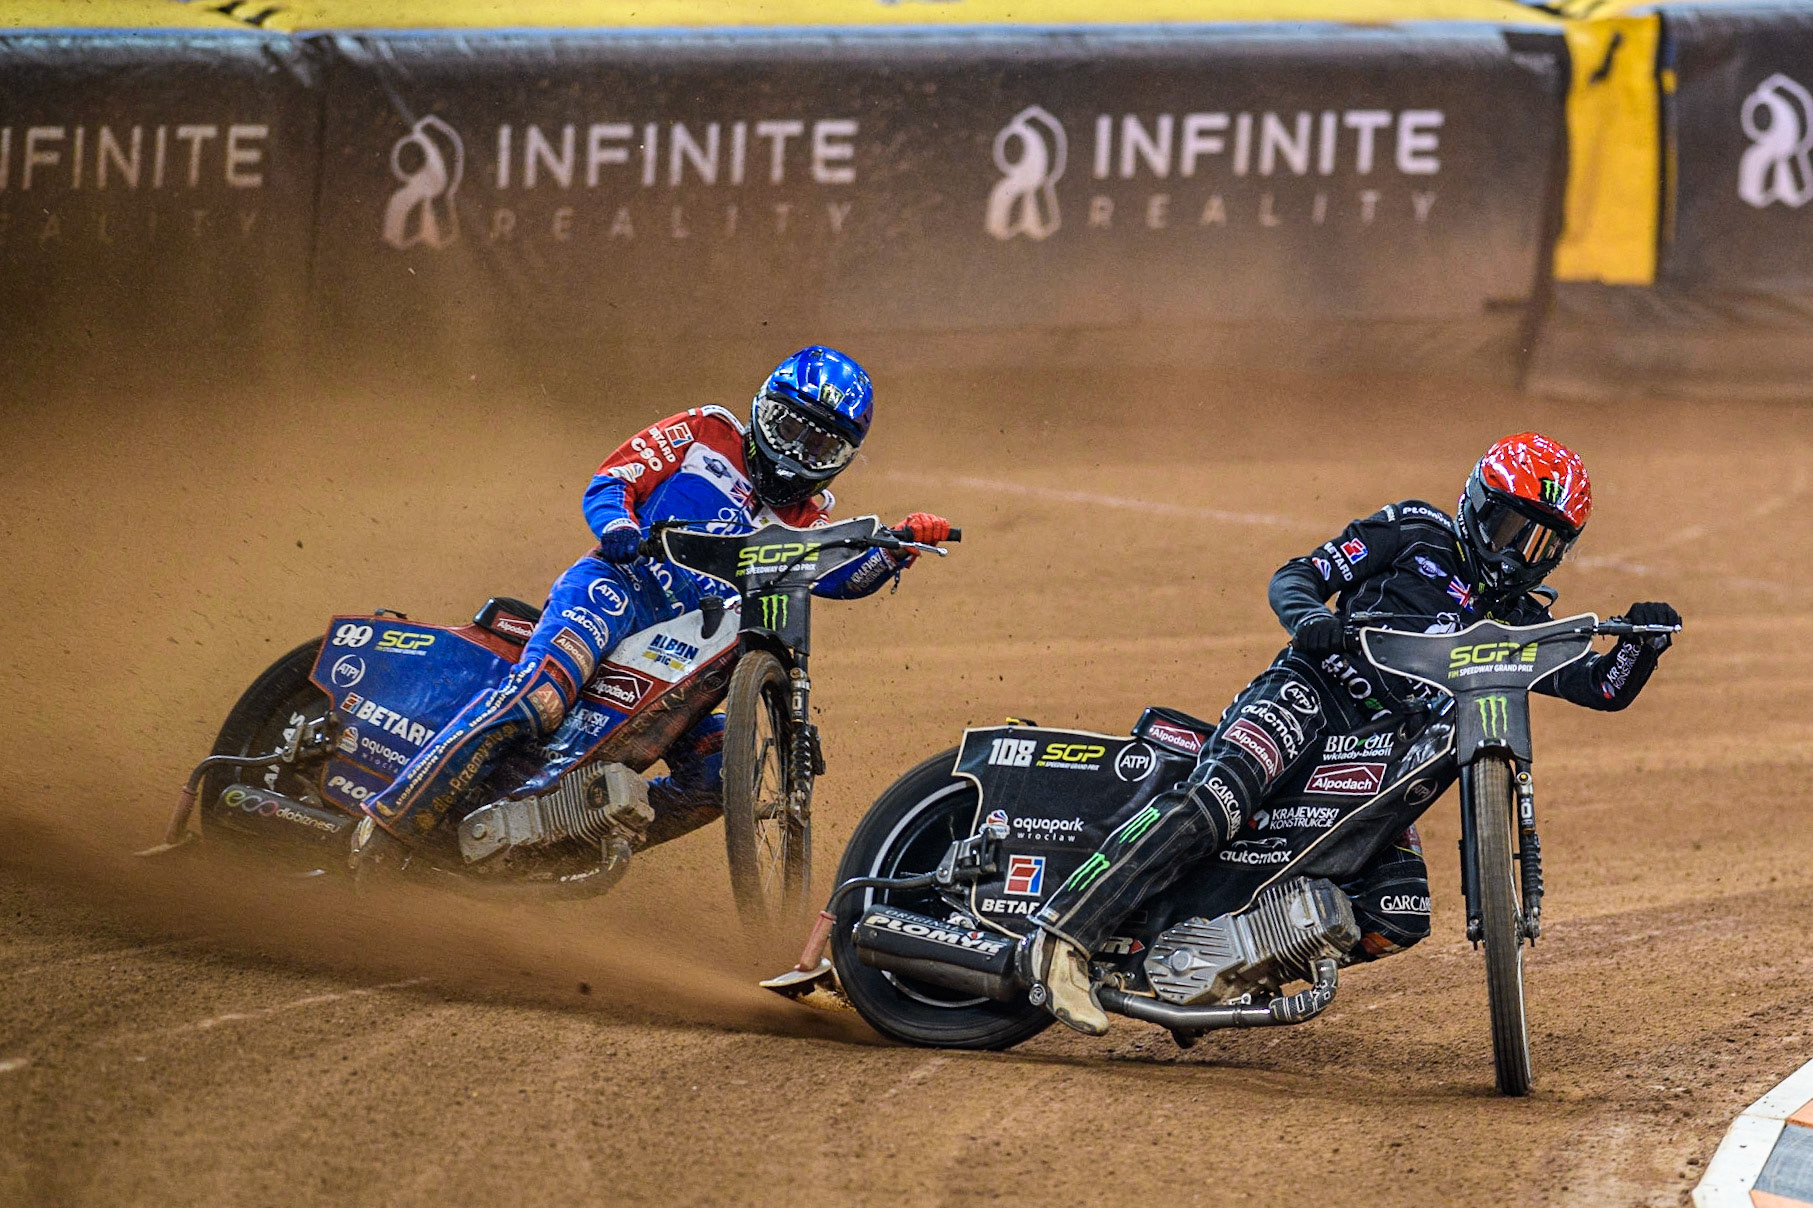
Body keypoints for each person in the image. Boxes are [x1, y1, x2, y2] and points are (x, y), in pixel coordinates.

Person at [1023, 432, 1681, 1034]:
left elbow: (1598, 686)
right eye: (1511, 528)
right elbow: (1298, 576)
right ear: (1477, 505)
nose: (1518, 555)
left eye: (1539, 543)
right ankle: (1061, 936)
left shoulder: (1513, 622)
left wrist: (1642, 645)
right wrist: (1309, 618)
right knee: (1217, 800)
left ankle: (1216, 970)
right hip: (1310, 693)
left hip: (1385, 758)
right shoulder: (1412, 531)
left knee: (1399, 913)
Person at [348, 346, 951, 872]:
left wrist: (897, 547)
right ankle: (390, 822)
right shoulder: (704, 431)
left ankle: (562, 845)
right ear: (762, 408)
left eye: (817, 444)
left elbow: (838, 575)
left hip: (684, 650)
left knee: (721, 779)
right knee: (540, 699)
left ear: (842, 457)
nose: (795, 452)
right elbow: (614, 478)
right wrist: (616, 525)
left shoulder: (808, 519)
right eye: (787, 428)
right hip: (615, 591)